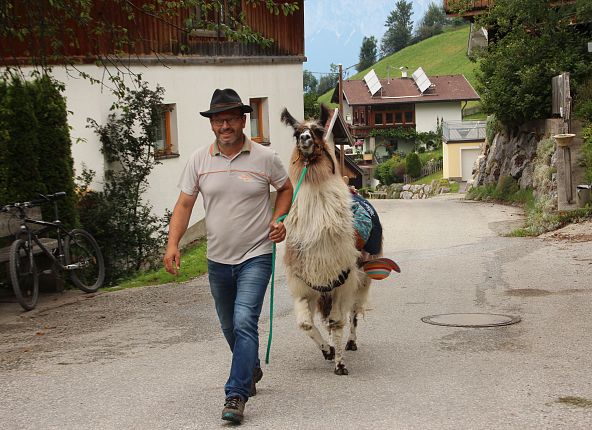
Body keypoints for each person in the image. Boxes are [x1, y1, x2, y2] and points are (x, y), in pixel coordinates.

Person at [163, 88, 293, 425]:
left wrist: (278, 219)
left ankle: (236, 393)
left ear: (243, 120)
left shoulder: (265, 157)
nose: (225, 125)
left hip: (257, 253)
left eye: (231, 118)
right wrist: (172, 243)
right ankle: (250, 367)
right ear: (211, 125)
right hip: (218, 259)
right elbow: (185, 204)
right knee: (227, 324)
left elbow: (285, 188)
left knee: (244, 320)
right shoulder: (198, 161)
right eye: (218, 119)